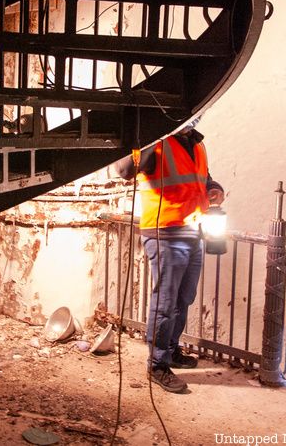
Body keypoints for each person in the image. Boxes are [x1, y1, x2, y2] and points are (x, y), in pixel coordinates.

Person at [116, 118, 224, 393]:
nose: (195, 118)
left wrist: (214, 188)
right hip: (165, 233)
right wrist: (153, 134)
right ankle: (157, 365)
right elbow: (125, 170)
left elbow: (203, 179)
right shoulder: (159, 142)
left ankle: (171, 351)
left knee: (184, 298)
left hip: (193, 231)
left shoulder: (197, 144)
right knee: (165, 303)